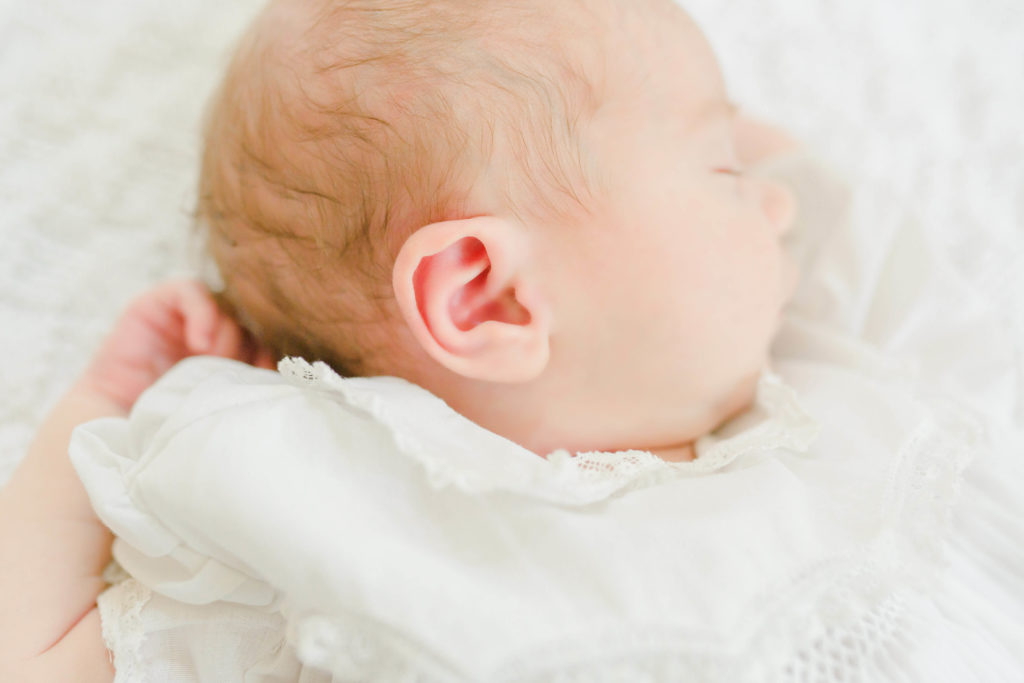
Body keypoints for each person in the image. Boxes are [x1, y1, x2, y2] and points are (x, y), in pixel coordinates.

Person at [2, 0, 1021, 680]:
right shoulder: (334, 526)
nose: (774, 200)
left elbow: (875, 245)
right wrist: (95, 414)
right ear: (488, 299)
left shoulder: (830, 398)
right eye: (720, 162)